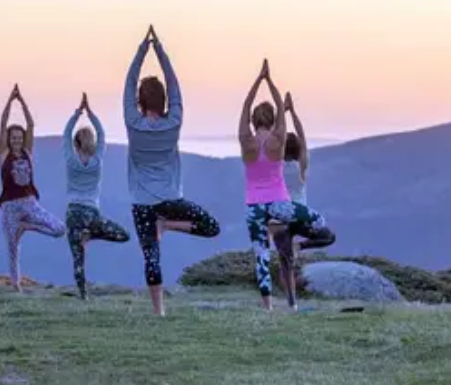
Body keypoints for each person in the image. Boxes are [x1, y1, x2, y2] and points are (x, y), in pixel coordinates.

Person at [124, 25, 220, 315]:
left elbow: (128, 84)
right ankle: (167, 225)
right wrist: (161, 51)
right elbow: (175, 85)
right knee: (211, 226)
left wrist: (143, 49)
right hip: (170, 198)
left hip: (142, 202)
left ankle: (159, 311)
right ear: (164, 100)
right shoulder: (173, 121)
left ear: (140, 101)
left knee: (151, 257)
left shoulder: (133, 123)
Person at [239, 60, 336, 310]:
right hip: (281, 206)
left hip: (254, 207)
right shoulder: (277, 144)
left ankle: (269, 306)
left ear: (252, 120)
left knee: (261, 257)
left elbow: (246, 106)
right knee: (319, 221)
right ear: (273, 122)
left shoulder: (245, 141)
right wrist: (271, 84)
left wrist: (258, 80)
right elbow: (291, 128)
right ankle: (300, 250)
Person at [0, 84, 66, 291]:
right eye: (13, 137)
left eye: (19, 137)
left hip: (30, 204)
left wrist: (22, 101)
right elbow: (2, 124)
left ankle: (26, 226)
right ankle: (16, 287)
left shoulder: (27, 152)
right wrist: (10, 101)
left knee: (59, 229)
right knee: (12, 249)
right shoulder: (3, 155)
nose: (17, 140)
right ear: (9, 139)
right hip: (10, 206)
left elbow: (31, 124)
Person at [63, 91, 130, 300]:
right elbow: (102, 134)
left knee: (78, 258)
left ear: (75, 144)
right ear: (91, 142)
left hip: (73, 212)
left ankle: (83, 295)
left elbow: (66, 134)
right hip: (91, 214)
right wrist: (90, 113)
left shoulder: (70, 159)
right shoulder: (98, 160)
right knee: (123, 235)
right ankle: (90, 235)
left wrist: (77, 113)